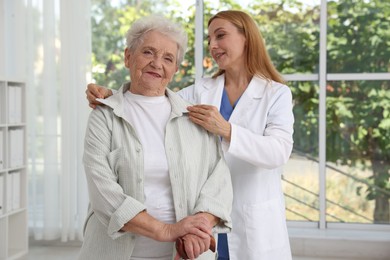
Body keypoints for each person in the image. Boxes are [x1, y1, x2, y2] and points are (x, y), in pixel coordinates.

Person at [86, 10, 294, 260]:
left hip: (248, 214)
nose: (213, 46)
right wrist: (111, 97)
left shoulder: (276, 94)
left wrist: (226, 130)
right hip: (198, 217)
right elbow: (152, 94)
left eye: (220, 36)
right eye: (209, 39)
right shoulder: (198, 92)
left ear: (246, 37)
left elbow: (279, 152)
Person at [80, 15, 233, 260]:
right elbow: (104, 193)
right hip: (115, 253)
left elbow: (219, 180)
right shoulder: (104, 116)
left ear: (175, 69)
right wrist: (168, 230)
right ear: (128, 57)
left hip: (185, 254)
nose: (157, 63)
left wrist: (198, 226)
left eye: (168, 58)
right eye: (148, 52)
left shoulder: (194, 116)